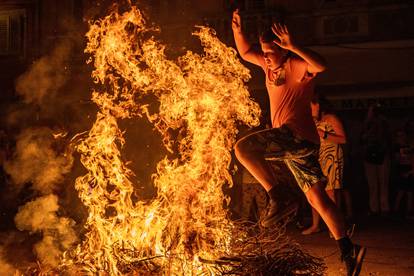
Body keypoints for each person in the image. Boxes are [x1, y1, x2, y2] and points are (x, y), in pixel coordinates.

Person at [231, 9, 365, 276]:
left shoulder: (296, 66)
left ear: (283, 49)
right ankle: (349, 250)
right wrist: (237, 30)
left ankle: (278, 194)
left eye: (270, 53)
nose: (266, 59)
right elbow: (246, 52)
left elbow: (321, 65)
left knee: (242, 148)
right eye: (264, 53)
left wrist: (294, 46)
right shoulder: (269, 67)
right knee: (318, 200)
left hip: (295, 136)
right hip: (300, 147)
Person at [302, 95, 347, 235]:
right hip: (318, 157)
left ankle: (335, 228)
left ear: (319, 105)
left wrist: (324, 134)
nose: (309, 110)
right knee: (315, 192)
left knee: (331, 192)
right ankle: (316, 225)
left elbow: (343, 139)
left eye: (311, 106)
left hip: (332, 157)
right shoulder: (313, 121)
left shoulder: (331, 118)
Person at [361, 103, 391, 216]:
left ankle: (379, 208)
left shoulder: (382, 124)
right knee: (377, 183)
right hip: (372, 155)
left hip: (379, 155)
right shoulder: (369, 125)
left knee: (378, 183)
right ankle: (380, 208)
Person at [392, 127, 414, 218]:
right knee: (401, 191)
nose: (401, 137)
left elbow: (412, 157)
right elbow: (397, 160)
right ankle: (396, 211)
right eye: (399, 136)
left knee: (410, 191)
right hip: (401, 169)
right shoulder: (397, 147)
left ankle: (409, 211)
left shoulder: (410, 146)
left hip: (410, 169)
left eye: (402, 135)